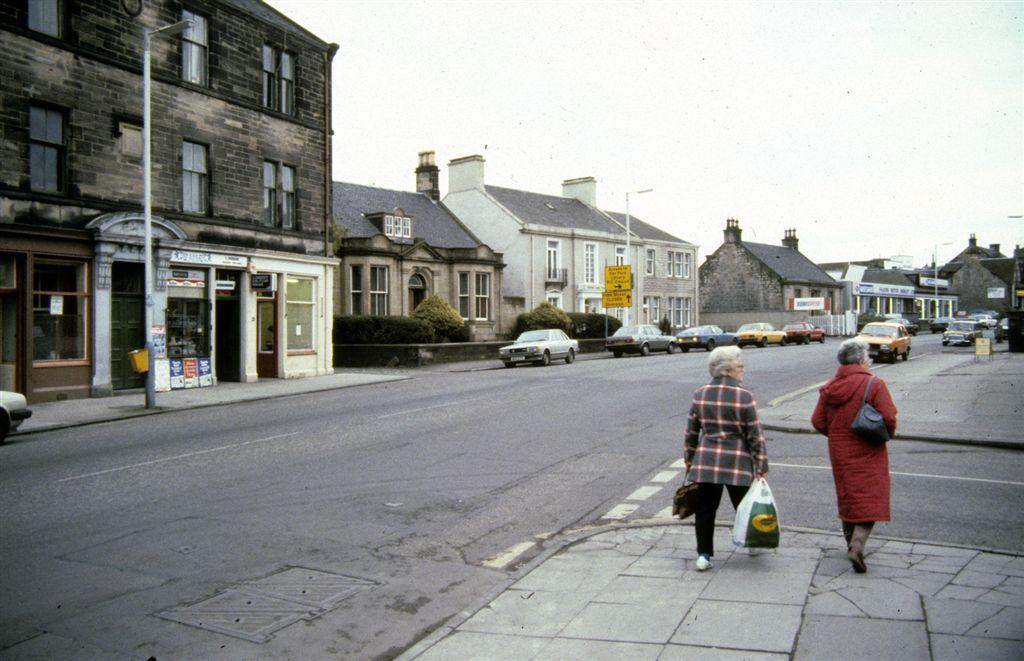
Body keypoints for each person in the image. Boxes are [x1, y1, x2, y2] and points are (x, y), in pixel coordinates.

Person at [811, 337, 898, 573]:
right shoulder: (874, 384)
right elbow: (889, 417)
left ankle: (849, 541)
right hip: (869, 448)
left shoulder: (830, 387)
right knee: (871, 497)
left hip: (839, 450)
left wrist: (838, 435)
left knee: (848, 493)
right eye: (867, 358)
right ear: (861, 359)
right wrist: (884, 434)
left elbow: (817, 421)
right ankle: (857, 545)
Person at [684, 345, 769, 571]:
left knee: (705, 509)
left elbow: (692, 431)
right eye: (739, 366)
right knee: (744, 506)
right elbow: (755, 435)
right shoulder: (744, 397)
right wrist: (761, 465)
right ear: (728, 370)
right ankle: (752, 543)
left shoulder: (700, 394)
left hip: (707, 460)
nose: (742, 370)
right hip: (737, 461)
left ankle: (703, 555)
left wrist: (689, 458)